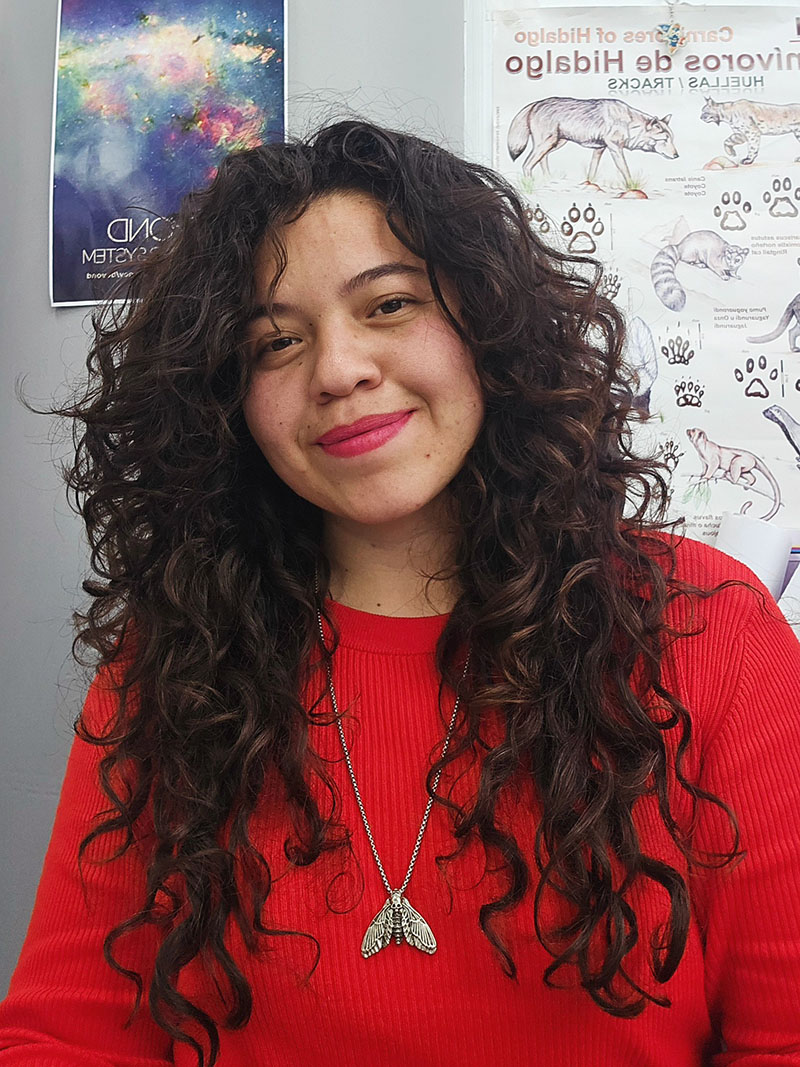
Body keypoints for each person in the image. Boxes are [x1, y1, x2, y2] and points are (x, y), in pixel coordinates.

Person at [2, 120, 800, 1067]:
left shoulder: (706, 627)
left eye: (388, 304)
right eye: (276, 342)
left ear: (489, 324)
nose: (338, 370)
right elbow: (67, 1037)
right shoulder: (173, 657)